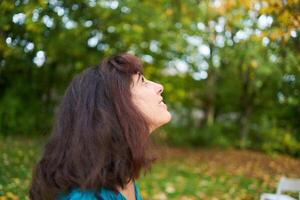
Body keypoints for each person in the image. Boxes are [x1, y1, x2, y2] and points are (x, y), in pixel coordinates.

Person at [29, 53, 172, 200]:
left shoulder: (119, 173)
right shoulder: (87, 197)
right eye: (142, 81)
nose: (159, 86)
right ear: (114, 105)